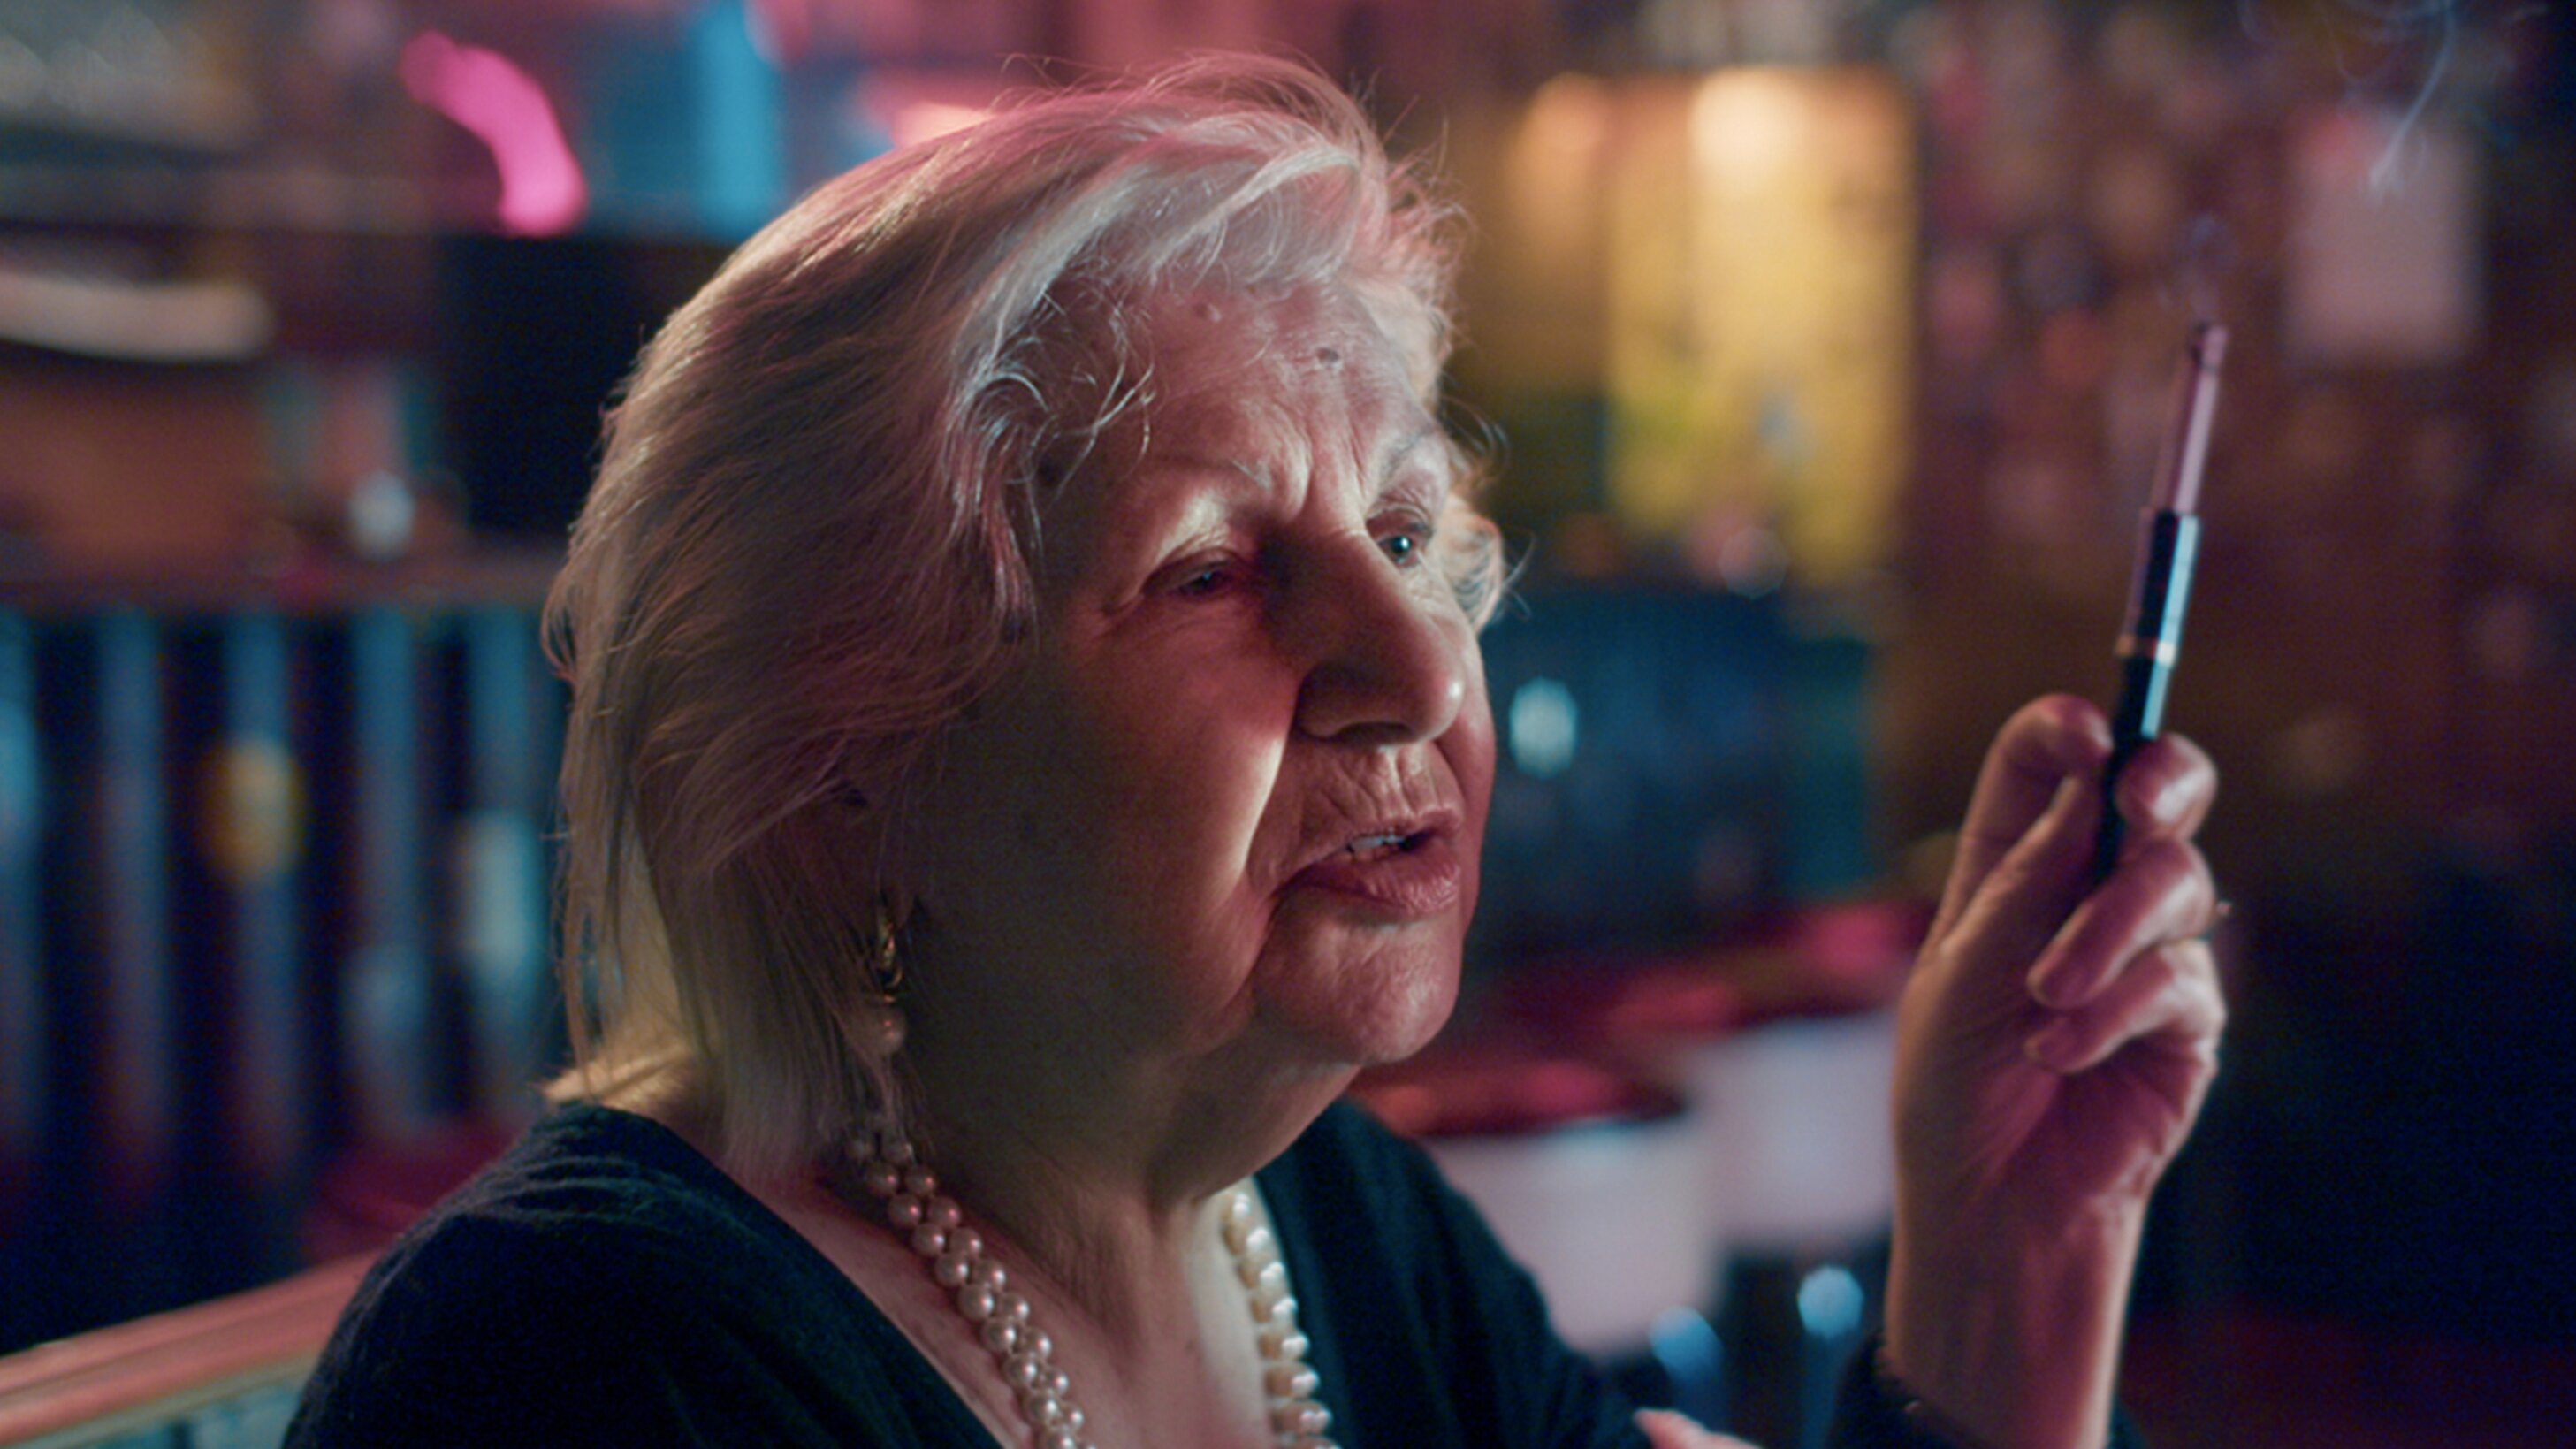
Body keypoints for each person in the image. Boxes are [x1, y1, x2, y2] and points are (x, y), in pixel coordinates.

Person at [286, 56, 2223, 1449]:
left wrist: (2003, 1258)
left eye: (1404, 536)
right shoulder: (573, 1366)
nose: (1418, 664)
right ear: (843, 767)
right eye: (1209, 571)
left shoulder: (1347, 1237)